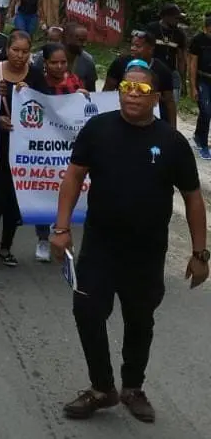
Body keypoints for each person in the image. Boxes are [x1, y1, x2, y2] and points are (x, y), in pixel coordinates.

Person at [53, 61, 208, 423]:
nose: (131, 95)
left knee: (140, 320)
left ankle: (133, 387)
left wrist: (200, 253)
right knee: (87, 313)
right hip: (100, 248)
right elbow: (74, 177)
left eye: (140, 90)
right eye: (126, 87)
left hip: (147, 252)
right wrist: (61, 229)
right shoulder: (98, 129)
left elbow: (193, 197)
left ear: (154, 97)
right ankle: (102, 387)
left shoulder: (171, 142)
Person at [0, 30, 46, 267]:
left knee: (13, 201)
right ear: (7, 49)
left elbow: (48, 108)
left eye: (24, 51)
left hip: (23, 151)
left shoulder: (35, 77)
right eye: (15, 50)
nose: (20, 56)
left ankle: (6, 248)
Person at [32, 43, 88, 262]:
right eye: (54, 62)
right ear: (45, 63)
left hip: (67, 148)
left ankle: (63, 233)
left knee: (65, 192)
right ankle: (43, 238)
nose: (59, 66)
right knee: (42, 190)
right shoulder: (37, 83)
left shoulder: (74, 82)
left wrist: (83, 96)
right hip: (43, 147)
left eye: (63, 62)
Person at [104, 30, 176, 128]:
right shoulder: (119, 63)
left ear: (150, 49)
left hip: (150, 123)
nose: (132, 49)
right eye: (132, 45)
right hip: (122, 118)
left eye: (138, 46)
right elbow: (106, 91)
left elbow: (169, 102)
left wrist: (173, 129)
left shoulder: (163, 71)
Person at [146, 3, 186, 104]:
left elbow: (181, 58)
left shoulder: (179, 34)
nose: (178, 21)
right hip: (152, 71)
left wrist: (183, 81)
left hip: (171, 72)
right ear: (166, 17)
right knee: (151, 103)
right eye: (176, 18)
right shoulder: (152, 28)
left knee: (172, 103)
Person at [189, 13, 211, 159]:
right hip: (202, 79)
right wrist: (193, 86)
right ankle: (203, 144)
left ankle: (198, 135)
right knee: (206, 111)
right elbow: (193, 64)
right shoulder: (198, 40)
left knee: (206, 111)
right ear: (205, 28)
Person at [65, 23, 97, 92]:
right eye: (80, 40)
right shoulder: (46, 58)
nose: (84, 44)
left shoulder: (88, 61)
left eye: (85, 41)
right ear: (67, 38)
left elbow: (91, 92)